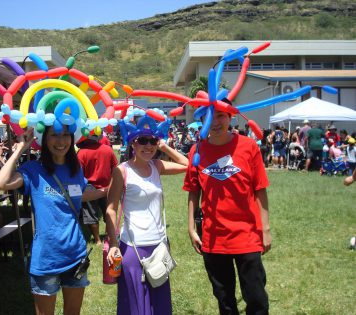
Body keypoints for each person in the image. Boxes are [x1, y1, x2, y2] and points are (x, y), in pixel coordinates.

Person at [0, 126, 107, 315]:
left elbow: (78, 195)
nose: (61, 141)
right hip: (46, 259)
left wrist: (108, 191)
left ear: (72, 138)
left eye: (65, 135)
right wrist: (21, 147)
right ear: (44, 139)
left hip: (76, 255)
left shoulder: (75, 169)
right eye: (54, 135)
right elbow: (0, 183)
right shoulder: (33, 170)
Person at [183, 109, 271, 315]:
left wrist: (265, 229)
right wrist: (190, 228)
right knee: (225, 301)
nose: (215, 122)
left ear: (231, 117)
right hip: (214, 238)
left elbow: (260, 189)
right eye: (209, 118)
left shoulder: (248, 146)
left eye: (221, 115)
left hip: (247, 234)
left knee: (256, 298)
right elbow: (193, 192)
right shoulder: (197, 151)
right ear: (202, 121)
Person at [105, 128, 188, 315]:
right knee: (134, 305)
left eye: (152, 141)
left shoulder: (157, 166)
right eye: (142, 140)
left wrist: (165, 146)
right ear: (132, 143)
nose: (148, 146)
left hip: (159, 246)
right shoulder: (122, 171)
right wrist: (112, 243)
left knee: (159, 305)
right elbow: (111, 208)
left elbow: (187, 165)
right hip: (133, 249)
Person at [77, 135, 118, 245]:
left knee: (91, 215)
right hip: (107, 186)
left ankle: (97, 240)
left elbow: (78, 173)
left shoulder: (82, 152)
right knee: (109, 212)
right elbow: (115, 168)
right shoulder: (107, 149)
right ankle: (109, 236)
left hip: (89, 187)